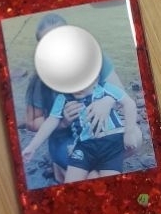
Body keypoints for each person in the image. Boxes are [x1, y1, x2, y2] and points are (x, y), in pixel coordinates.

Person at [21, 13, 123, 183]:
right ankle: (61, 165)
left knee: (134, 139)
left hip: (98, 134)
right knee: (92, 177)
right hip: (66, 139)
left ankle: (69, 169)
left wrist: (106, 102)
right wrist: (63, 122)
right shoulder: (41, 80)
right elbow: (31, 122)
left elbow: (120, 92)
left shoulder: (94, 57)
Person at [21, 77, 142, 182]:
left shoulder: (105, 88)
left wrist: (129, 133)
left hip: (111, 145)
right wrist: (32, 147)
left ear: (94, 78)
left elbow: (129, 103)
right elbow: (50, 122)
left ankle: (94, 171)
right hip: (84, 146)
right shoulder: (63, 98)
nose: (77, 88)